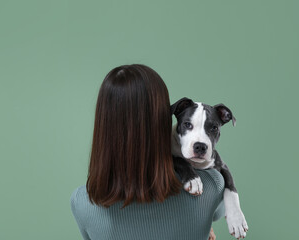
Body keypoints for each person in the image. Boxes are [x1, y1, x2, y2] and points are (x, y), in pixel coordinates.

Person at [70, 64, 225, 240]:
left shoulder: (82, 202)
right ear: (163, 118)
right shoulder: (212, 186)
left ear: (103, 127)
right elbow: (216, 214)